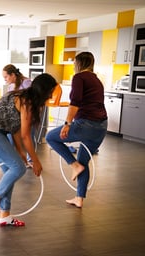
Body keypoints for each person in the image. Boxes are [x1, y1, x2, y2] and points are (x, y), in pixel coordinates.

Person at [0, 73, 59, 227]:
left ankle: (5, 215)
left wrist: (20, 152)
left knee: (11, 171)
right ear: (44, 91)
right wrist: (35, 161)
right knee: (18, 168)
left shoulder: (23, 96)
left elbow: (15, 128)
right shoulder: (26, 102)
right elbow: (26, 135)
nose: (51, 95)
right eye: (50, 92)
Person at [45, 51, 107, 209]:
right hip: (101, 127)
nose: (73, 66)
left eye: (74, 63)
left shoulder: (79, 77)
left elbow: (75, 103)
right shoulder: (96, 80)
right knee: (83, 161)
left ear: (78, 63)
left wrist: (67, 124)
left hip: (86, 123)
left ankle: (73, 165)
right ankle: (79, 198)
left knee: (51, 137)